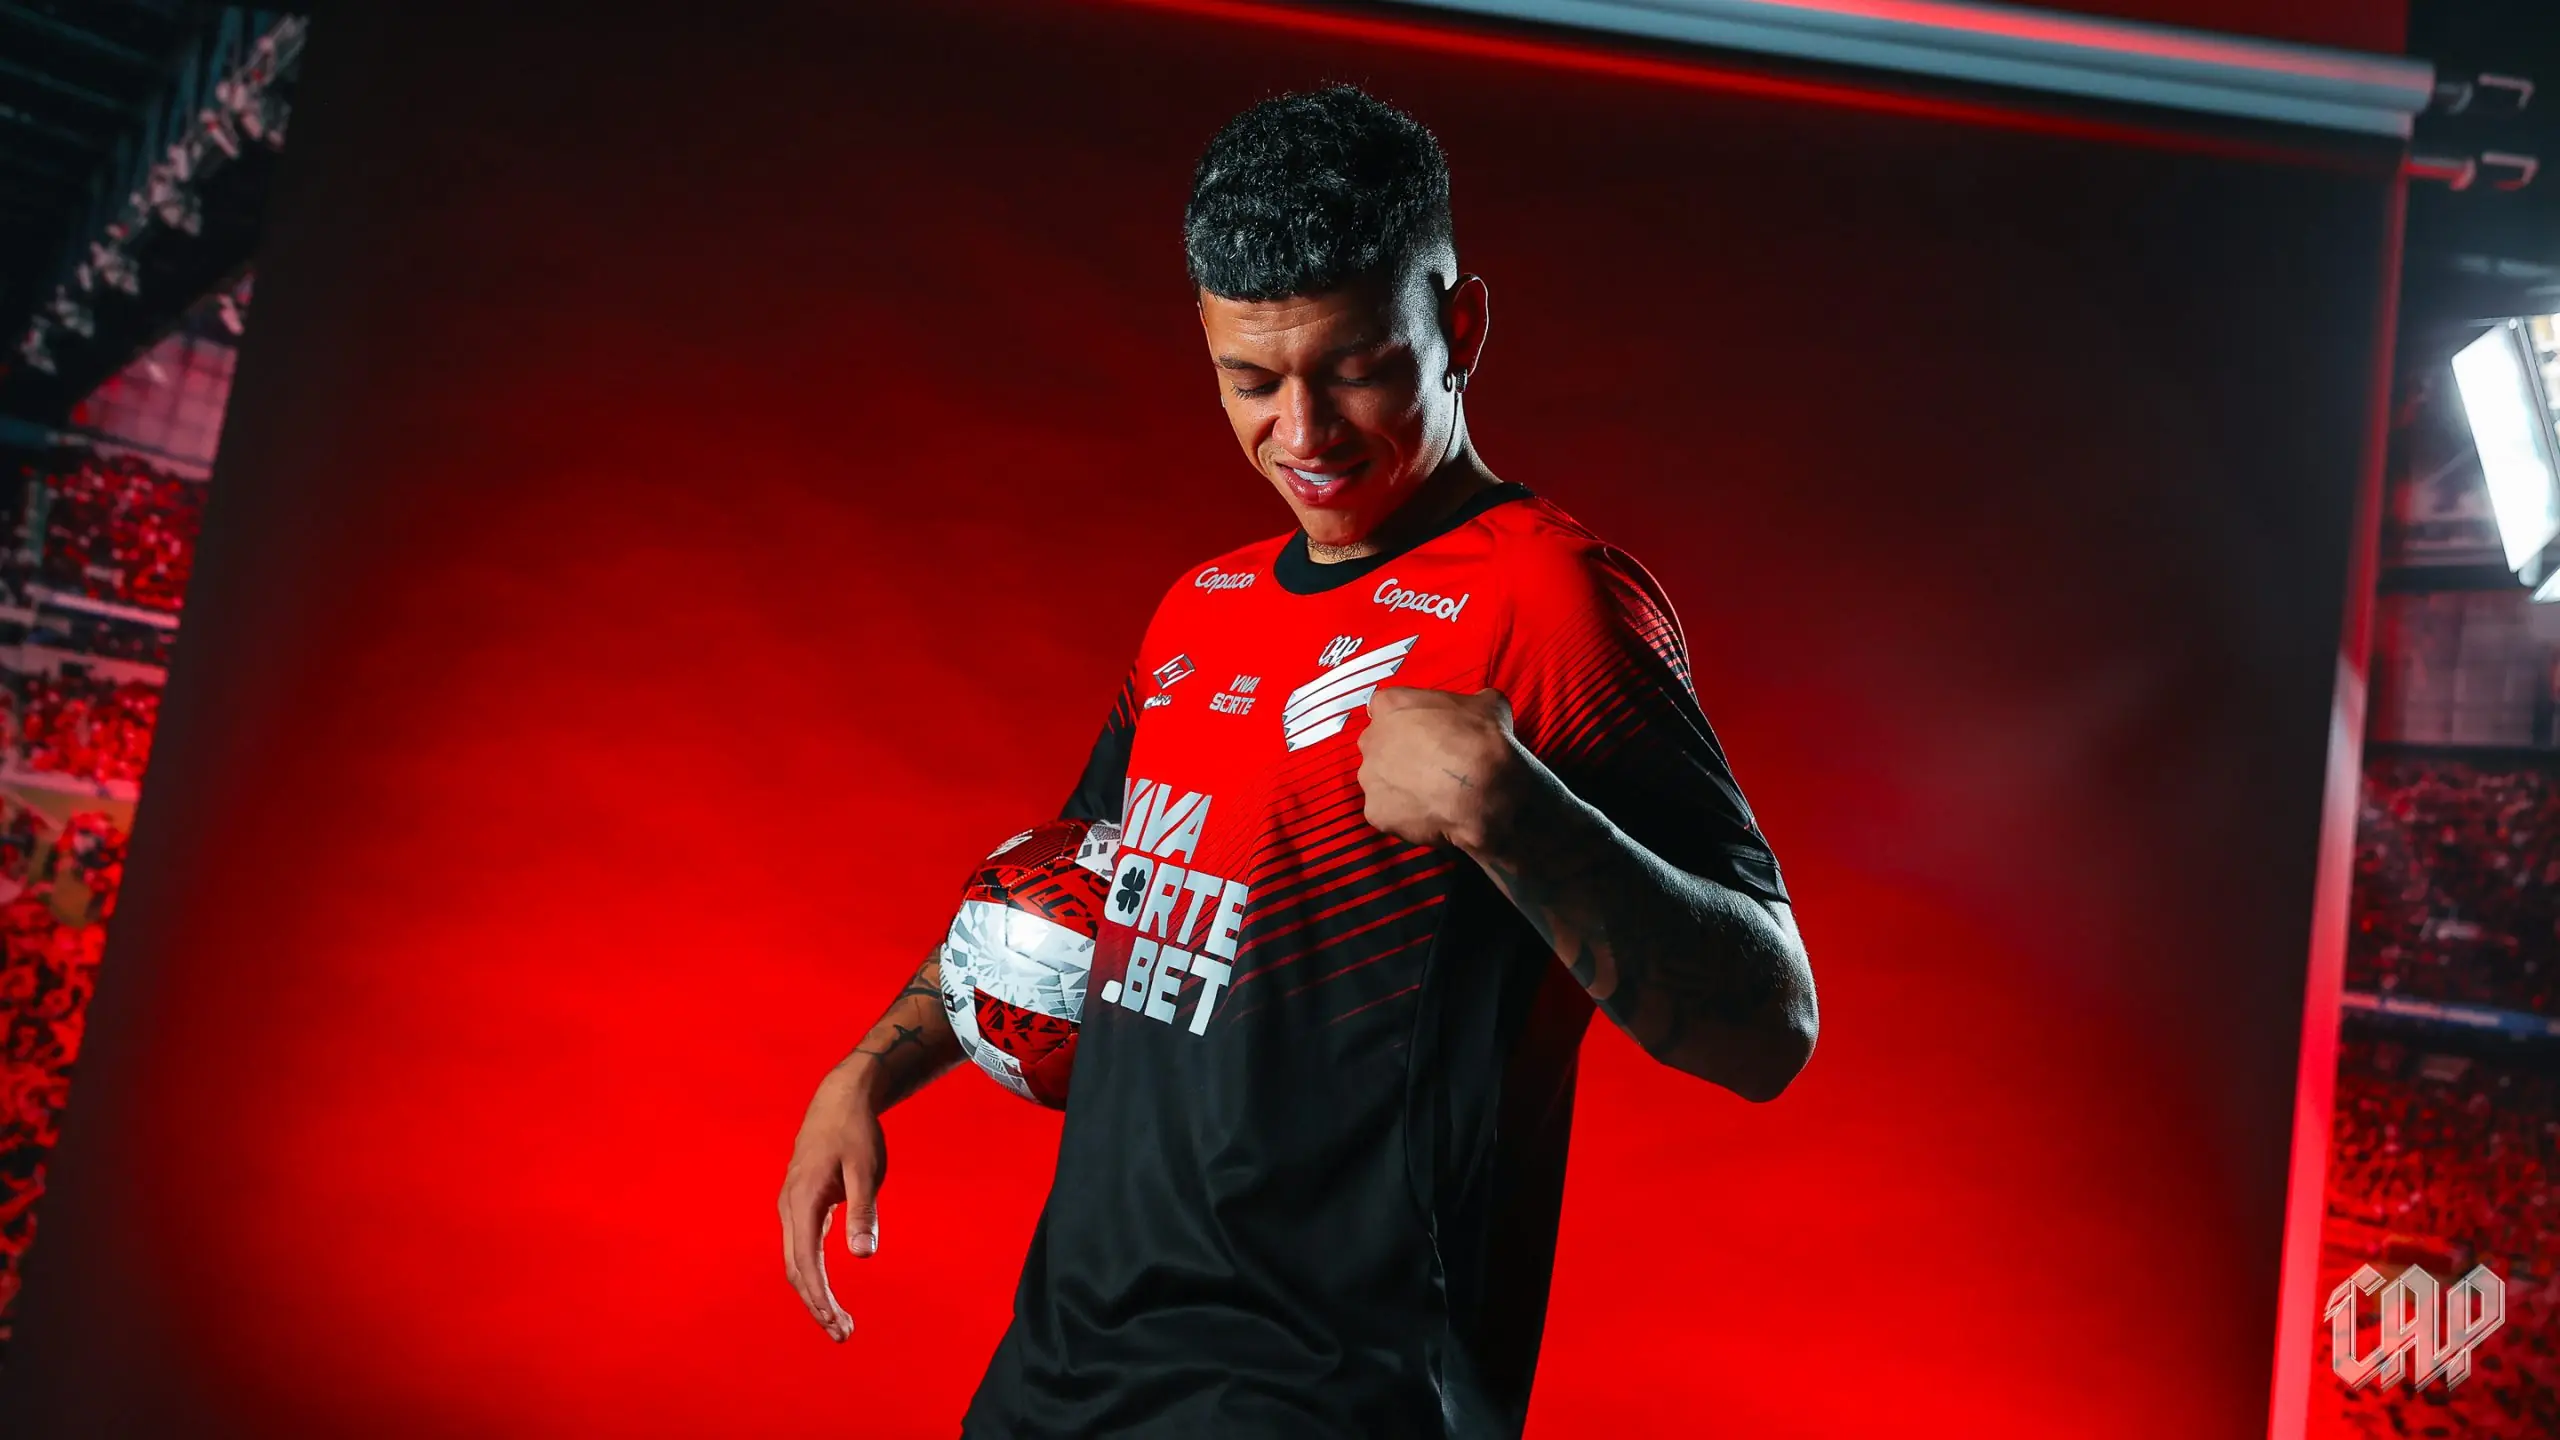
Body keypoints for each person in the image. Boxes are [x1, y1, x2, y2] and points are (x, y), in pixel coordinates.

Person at [779, 85, 1819, 1438]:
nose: (1305, 434)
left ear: (1459, 328)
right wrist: (867, 1070)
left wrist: (1522, 818)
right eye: (1253, 382)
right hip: (1057, 1377)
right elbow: (1066, 883)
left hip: (1331, 1398)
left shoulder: (1550, 604)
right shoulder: (1197, 611)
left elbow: (1769, 1029)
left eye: (1356, 369)